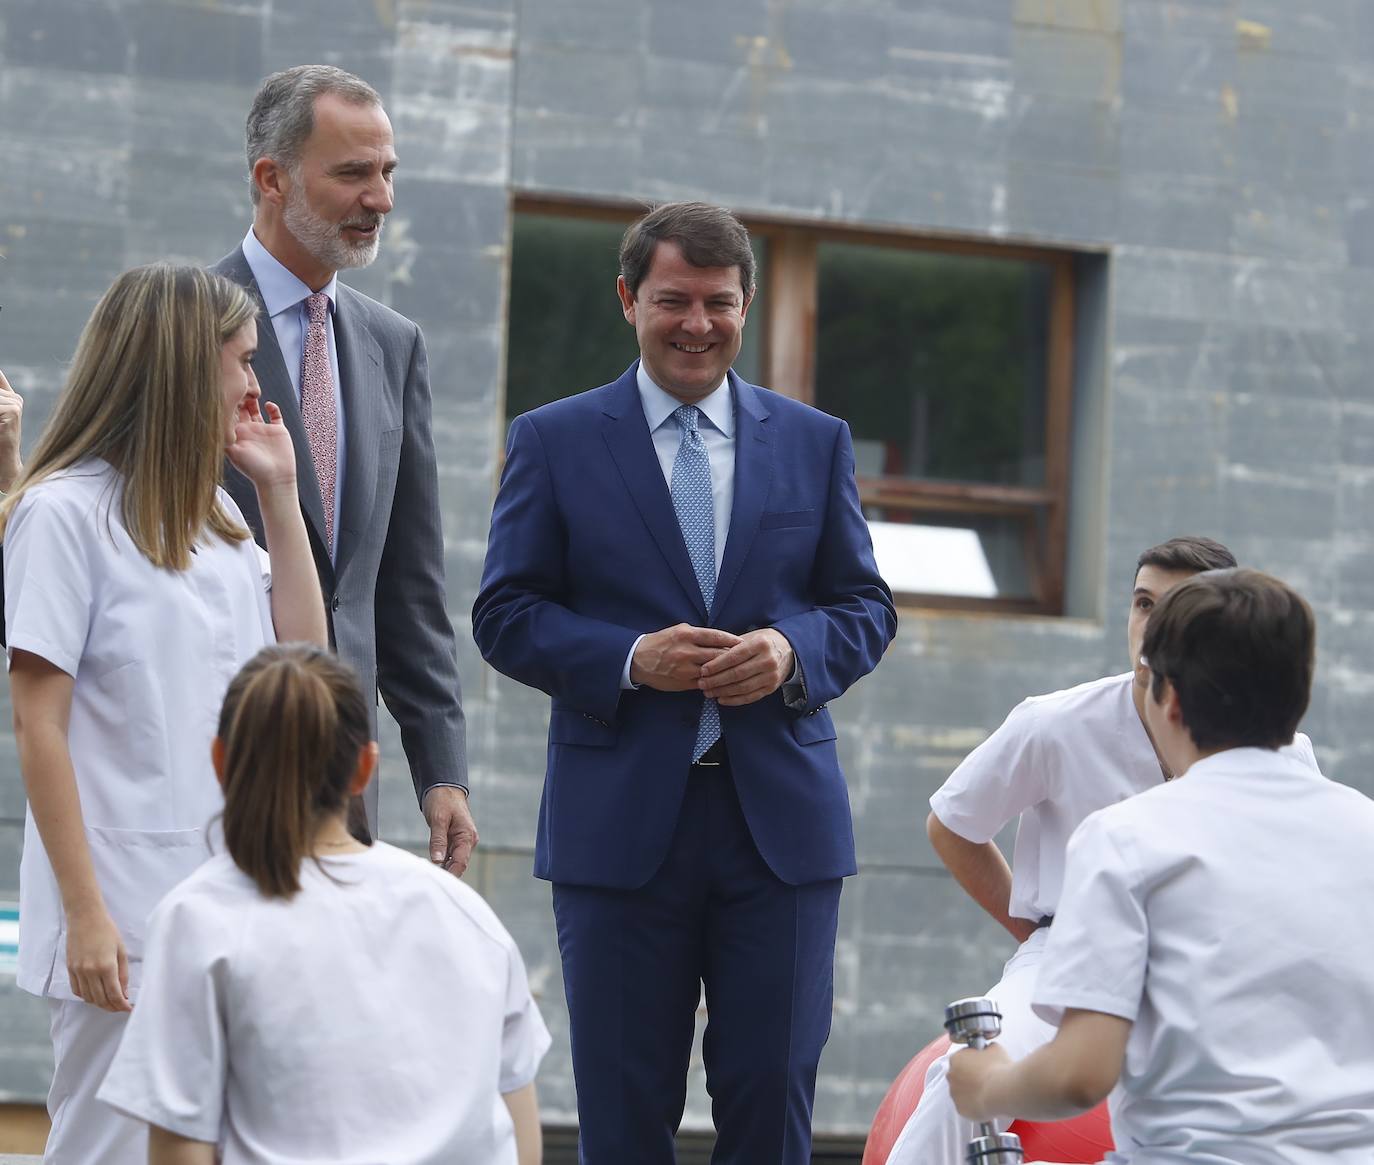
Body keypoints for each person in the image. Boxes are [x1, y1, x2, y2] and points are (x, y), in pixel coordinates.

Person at [473, 201, 897, 1164]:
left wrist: (790, 650)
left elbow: (865, 606)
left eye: (718, 302)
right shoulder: (553, 439)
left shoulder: (815, 440)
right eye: (673, 300)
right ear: (629, 300)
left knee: (772, 1110)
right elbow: (504, 613)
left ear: (746, 305)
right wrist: (631, 659)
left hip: (779, 832)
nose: (697, 323)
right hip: (619, 828)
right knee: (623, 1117)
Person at [1, 264, 325, 1164]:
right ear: (184, 366)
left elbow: (306, 670)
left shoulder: (217, 516)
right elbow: (37, 726)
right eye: (243, 360)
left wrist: (280, 497)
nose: (255, 385)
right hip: (124, 913)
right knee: (108, 1148)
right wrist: (84, 913)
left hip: (236, 893)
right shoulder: (61, 515)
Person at [887, 536, 1321, 1165]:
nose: (1152, 625)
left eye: (1177, 608)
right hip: (1068, 953)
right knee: (960, 1079)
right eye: (1143, 603)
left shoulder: (1281, 750)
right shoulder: (1054, 722)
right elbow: (953, 824)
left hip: (1218, 966)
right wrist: (1037, 934)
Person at [98, 643, 550, 1165]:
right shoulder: (466, 916)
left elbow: (181, 1148)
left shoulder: (196, 919)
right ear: (365, 768)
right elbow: (521, 1132)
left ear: (220, 761)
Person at [212, 64, 474, 868]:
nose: (381, 199)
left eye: (388, 172)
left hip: (342, 772)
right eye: (354, 173)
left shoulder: (395, 344)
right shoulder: (181, 324)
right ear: (272, 179)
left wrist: (441, 770)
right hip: (209, 748)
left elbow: (408, 581)